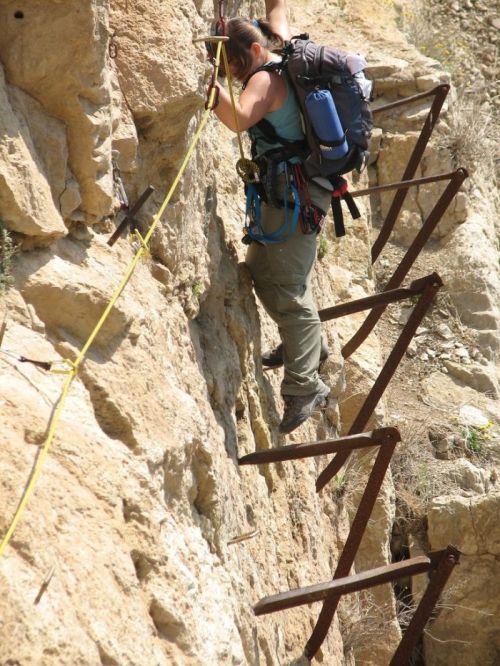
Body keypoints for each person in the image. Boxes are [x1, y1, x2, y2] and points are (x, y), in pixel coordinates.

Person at [212, 0, 330, 434]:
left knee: (288, 288)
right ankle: (310, 348)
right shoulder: (280, 46)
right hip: (294, 191)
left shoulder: (263, 78)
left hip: (296, 194)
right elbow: (279, 8)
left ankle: (305, 384)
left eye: (235, 67)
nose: (236, 75)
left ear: (251, 55)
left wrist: (210, 85)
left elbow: (240, 119)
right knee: (263, 269)